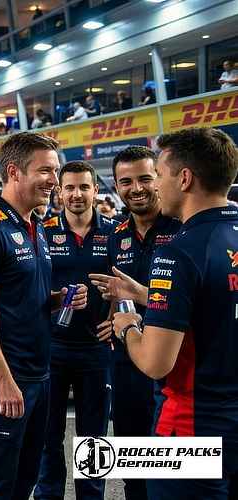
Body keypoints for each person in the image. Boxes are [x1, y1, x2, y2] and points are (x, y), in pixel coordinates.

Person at [0, 132, 88, 499]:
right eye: (45, 170)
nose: (54, 180)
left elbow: (18, 295)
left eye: (56, 170)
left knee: (24, 479)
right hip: (1, 378)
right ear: (14, 172)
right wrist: (2, 379)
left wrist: (56, 299)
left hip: (38, 375)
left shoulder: (34, 226)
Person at [111, 127, 238, 498]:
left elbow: (155, 363)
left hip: (191, 427)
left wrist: (128, 326)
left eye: (159, 176)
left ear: (184, 179)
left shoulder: (178, 252)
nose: (155, 188)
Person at [88, 145, 181, 500]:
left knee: (185, 467)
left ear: (160, 178)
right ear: (115, 186)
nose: (136, 188)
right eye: (126, 181)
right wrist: (111, 319)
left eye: (144, 178)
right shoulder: (115, 236)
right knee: (135, 460)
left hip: (176, 362)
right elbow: (114, 292)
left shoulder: (185, 227)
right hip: (128, 361)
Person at [34, 161, 117, 500]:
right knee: (48, 435)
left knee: (94, 438)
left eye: (84, 187)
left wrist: (116, 317)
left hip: (97, 351)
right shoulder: (43, 231)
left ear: (95, 190)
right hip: (51, 349)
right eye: (69, 187)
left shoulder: (114, 232)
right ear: (60, 191)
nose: (76, 194)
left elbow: (124, 283)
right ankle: (48, 494)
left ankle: (91, 496)